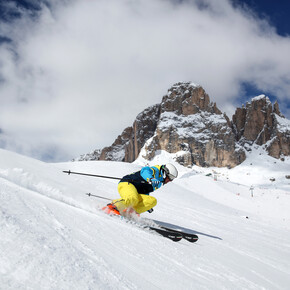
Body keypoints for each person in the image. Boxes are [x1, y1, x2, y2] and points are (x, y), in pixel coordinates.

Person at [103, 163, 178, 216]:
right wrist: (150, 178)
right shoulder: (155, 171)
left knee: (152, 201)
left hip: (135, 191)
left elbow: (145, 191)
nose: (170, 181)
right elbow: (145, 171)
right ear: (165, 173)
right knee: (133, 198)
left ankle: (130, 213)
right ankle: (113, 207)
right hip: (127, 184)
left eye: (172, 179)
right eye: (170, 177)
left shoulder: (159, 183)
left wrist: (146, 205)